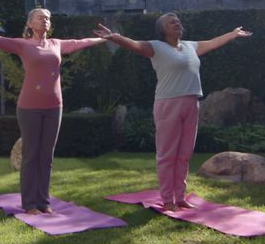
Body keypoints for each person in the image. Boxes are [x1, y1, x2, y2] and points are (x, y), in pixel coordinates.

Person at [0, 9, 106, 215]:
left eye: (47, 18)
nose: (45, 20)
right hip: (29, 107)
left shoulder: (56, 44)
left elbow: (81, 42)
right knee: (31, 155)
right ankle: (30, 204)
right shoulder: (22, 45)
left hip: (55, 107)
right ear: (30, 24)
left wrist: (106, 38)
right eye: (40, 18)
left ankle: (44, 202)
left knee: (46, 157)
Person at [95, 13, 251, 212]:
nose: (177, 23)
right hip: (168, 104)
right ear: (163, 29)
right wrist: (114, 37)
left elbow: (213, 43)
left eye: (178, 21)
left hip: (191, 103)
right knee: (167, 155)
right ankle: (168, 199)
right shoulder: (156, 47)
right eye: (172, 22)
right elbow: (134, 45)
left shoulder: (190, 46)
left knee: (184, 154)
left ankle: (180, 197)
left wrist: (233, 34)